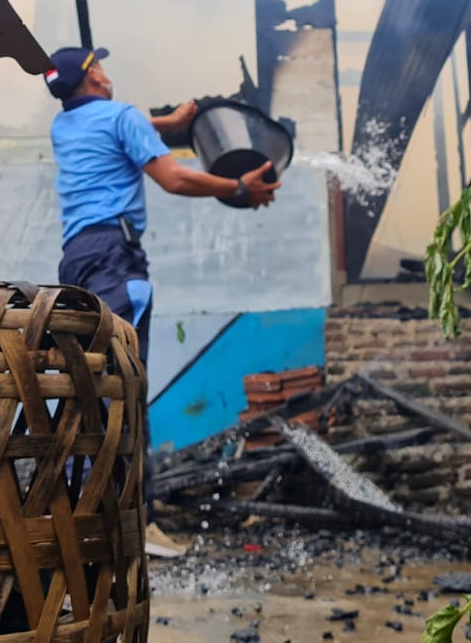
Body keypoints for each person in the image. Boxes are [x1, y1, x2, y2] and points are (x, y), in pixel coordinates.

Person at [44, 46, 280, 558]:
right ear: (93, 78)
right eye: (99, 66)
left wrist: (164, 120)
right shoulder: (121, 116)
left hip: (77, 263)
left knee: (86, 385)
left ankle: (78, 521)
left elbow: (112, 119)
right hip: (115, 259)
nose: (108, 72)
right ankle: (132, 526)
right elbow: (174, 179)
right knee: (122, 387)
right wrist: (238, 187)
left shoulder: (65, 127)